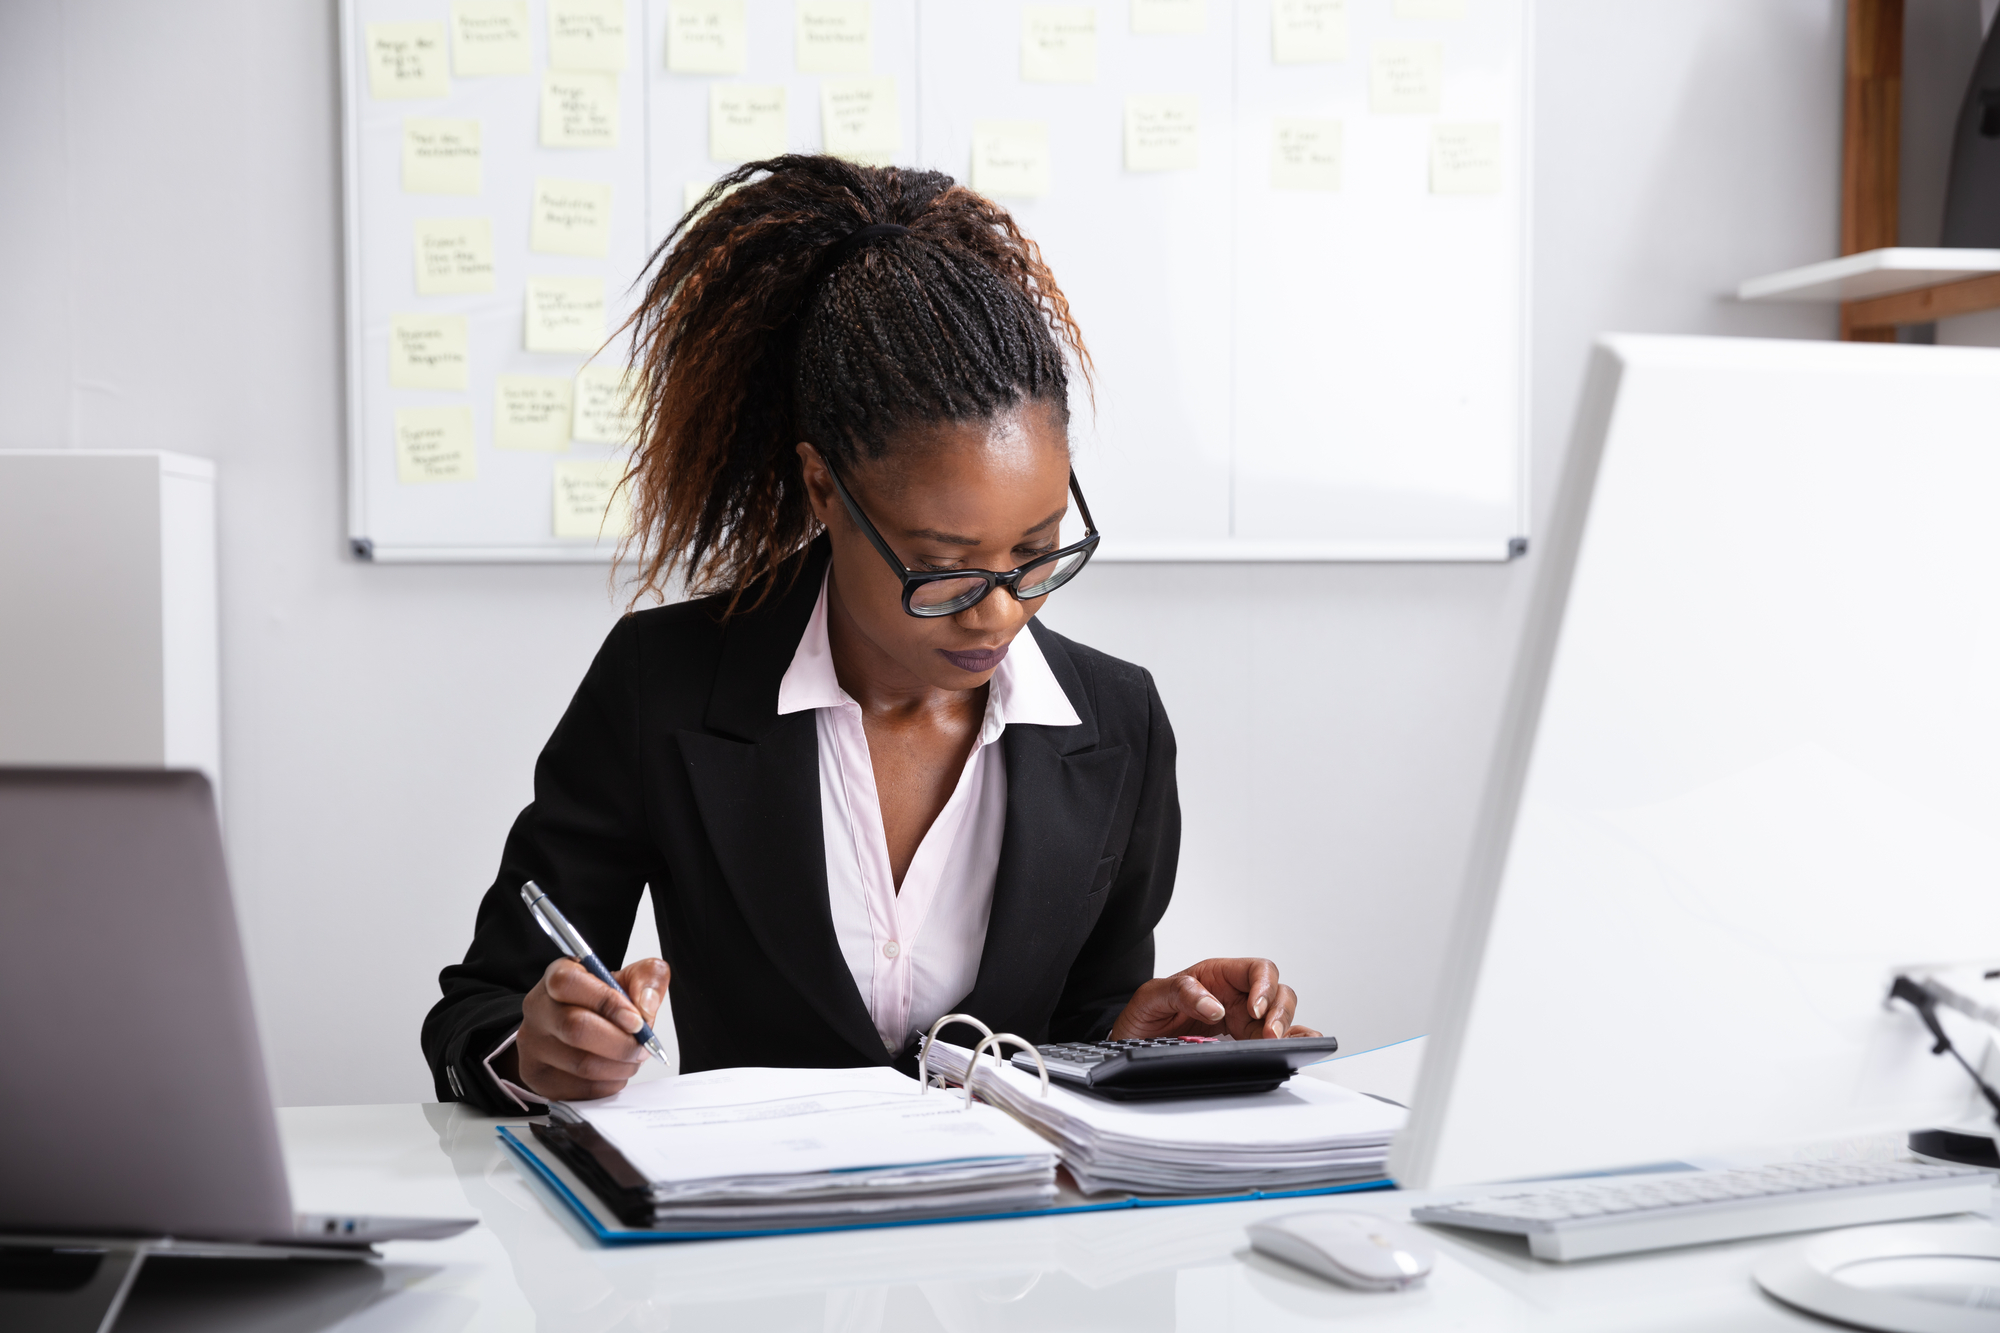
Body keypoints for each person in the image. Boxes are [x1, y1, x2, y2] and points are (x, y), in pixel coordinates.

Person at [422, 155, 1320, 1112]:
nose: (1000, 611)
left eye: (1038, 552)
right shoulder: (665, 686)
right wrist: (533, 1048)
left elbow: (1082, 1013)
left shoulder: (1117, 722)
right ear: (824, 491)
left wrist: (1134, 1034)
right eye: (944, 566)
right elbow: (479, 1009)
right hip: (749, 1238)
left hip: (1022, 1247)